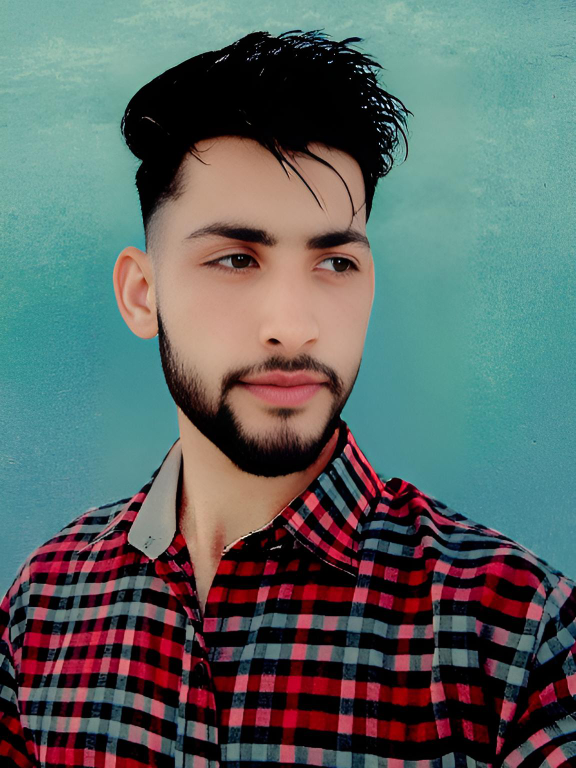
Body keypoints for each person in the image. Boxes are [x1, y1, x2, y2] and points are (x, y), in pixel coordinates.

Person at [1, 28, 574, 768]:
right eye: (236, 259)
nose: (294, 326)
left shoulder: (518, 635)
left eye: (335, 262)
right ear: (143, 295)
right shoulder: (44, 606)